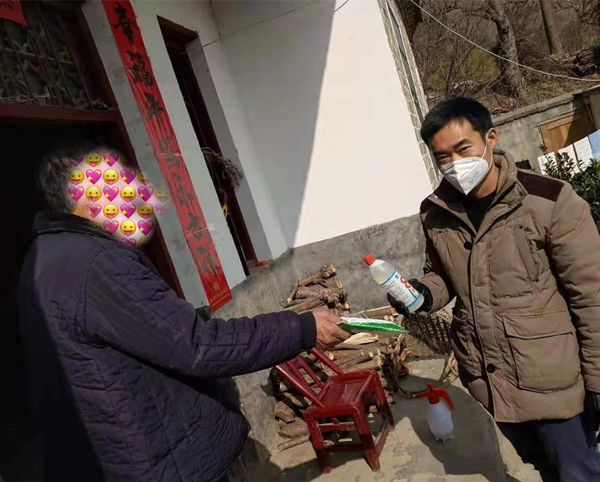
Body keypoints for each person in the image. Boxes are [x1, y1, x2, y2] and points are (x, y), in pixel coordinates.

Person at [18, 143, 350, 482]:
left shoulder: (45, 256)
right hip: (161, 458)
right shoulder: (98, 263)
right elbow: (198, 346)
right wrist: (303, 329)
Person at [389, 97, 600, 481]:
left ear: (490, 138)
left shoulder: (548, 201)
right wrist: (420, 294)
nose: (454, 164)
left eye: (462, 148)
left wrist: (598, 377)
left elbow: (592, 296)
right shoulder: (435, 213)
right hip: (488, 377)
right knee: (542, 467)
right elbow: (441, 275)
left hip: (553, 379)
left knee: (578, 472)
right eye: (442, 157)